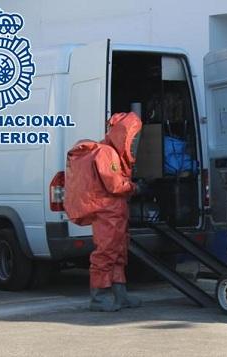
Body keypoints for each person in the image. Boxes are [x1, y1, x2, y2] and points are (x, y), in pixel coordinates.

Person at [64, 112, 143, 312]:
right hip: (107, 213)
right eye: (132, 137)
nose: (134, 142)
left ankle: (120, 296)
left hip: (115, 213)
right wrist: (134, 187)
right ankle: (98, 298)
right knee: (106, 254)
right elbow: (115, 185)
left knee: (118, 254)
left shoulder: (110, 152)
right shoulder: (107, 153)